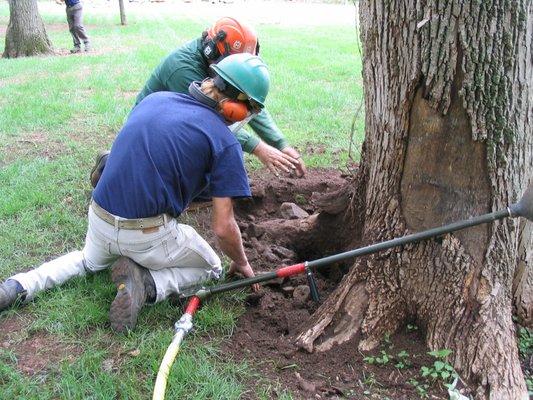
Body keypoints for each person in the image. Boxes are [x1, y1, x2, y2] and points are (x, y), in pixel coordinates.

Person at [0, 53, 266, 332]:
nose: (248, 118)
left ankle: (19, 285)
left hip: (100, 216)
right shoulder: (225, 143)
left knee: (87, 261)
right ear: (236, 107)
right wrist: (241, 261)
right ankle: (148, 285)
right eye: (251, 110)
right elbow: (223, 227)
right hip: (146, 236)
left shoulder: (157, 99)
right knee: (211, 266)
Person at [89, 17, 305, 188]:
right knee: (214, 164)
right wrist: (258, 148)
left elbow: (248, 100)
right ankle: (112, 165)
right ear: (212, 49)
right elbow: (209, 122)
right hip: (154, 134)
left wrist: (281, 144)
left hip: (175, 125)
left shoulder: (217, 66)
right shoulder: (183, 69)